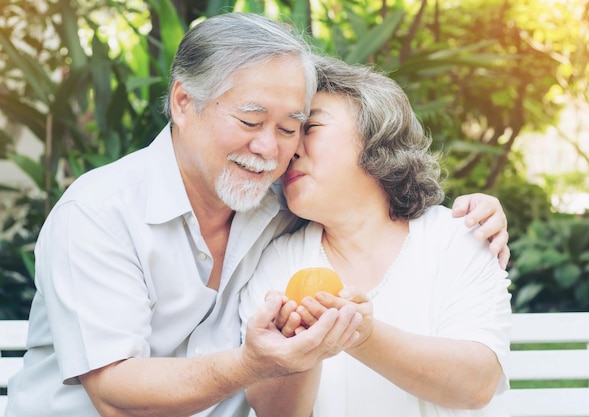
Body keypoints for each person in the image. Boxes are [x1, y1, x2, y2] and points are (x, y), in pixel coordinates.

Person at [6, 12, 509, 417]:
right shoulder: (98, 213)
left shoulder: (276, 204)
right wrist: (251, 364)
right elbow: (116, 395)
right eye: (250, 119)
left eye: (294, 127)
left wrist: (481, 211)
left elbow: (368, 205)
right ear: (183, 102)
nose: (273, 150)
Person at [240, 55, 512, 417]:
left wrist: (362, 336)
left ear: (373, 137)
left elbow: (477, 385)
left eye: (311, 129)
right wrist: (303, 350)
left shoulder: (457, 237)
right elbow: (273, 412)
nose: (290, 150)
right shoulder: (278, 260)